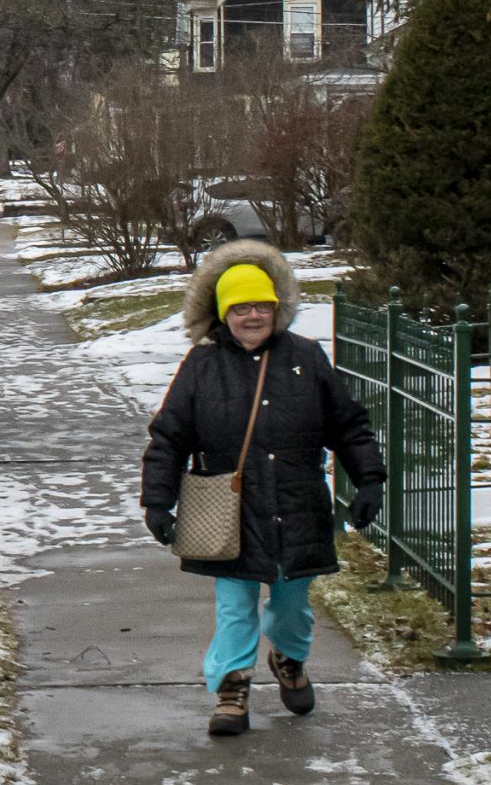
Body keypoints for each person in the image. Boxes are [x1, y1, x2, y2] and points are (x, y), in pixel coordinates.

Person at [139, 240, 386, 737]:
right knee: (234, 606)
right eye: (241, 307)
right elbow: (169, 435)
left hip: (297, 506)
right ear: (223, 314)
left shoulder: (306, 359)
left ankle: (289, 657)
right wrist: (157, 500)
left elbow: (349, 425)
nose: (253, 316)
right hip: (227, 512)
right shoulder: (202, 366)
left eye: (262, 306)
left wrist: (369, 480)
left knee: (293, 606)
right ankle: (231, 690)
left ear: (278, 308)